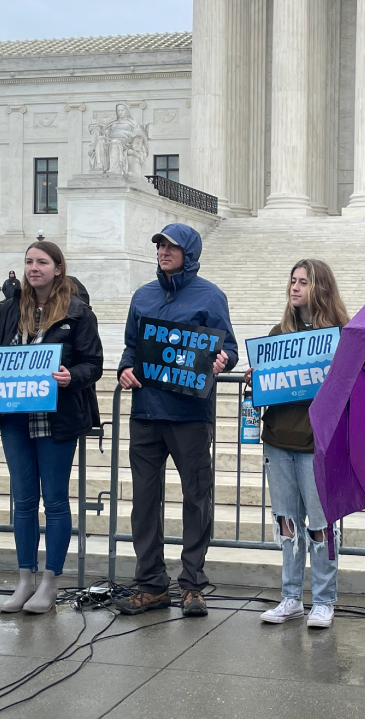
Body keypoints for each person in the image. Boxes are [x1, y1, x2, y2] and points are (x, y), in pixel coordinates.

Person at [0, 241, 103, 614]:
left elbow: (94, 364)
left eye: (42, 262)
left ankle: (50, 581)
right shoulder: (9, 309)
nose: (33, 268)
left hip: (57, 418)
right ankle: (25, 577)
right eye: (28, 261)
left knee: (55, 501)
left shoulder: (78, 313)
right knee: (23, 502)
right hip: (13, 416)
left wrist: (69, 376)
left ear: (58, 268)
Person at [112, 224, 237, 618]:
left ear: (191, 252)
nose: (164, 251)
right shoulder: (142, 295)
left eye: (172, 246)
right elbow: (132, 347)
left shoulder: (210, 296)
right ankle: (151, 585)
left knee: (196, 499)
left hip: (189, 417)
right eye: (160, 245)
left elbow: (227, 347)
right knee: (144, 503)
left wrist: (224, 360)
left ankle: (193, 585)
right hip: (146, 414)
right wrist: (124, 370)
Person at [246, 259, 349, 629]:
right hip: (278, 438)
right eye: (292, 281)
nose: (294, 288)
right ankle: (291, 597)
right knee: (286, 521)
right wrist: (256, 378)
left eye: (303, 282)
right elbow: (268, 382)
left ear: (320, 288)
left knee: (321, 524)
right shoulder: (279, 331)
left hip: (317, 443)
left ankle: (324, 600)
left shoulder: (340, 335)